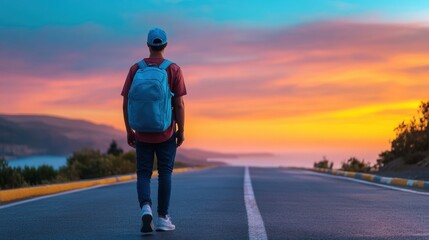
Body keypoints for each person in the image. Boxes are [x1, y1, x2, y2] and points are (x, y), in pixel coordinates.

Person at [121, 27, 186, 234]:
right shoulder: (173, 69)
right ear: (165, 45)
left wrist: (129, 130)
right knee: (165, 172)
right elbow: (180, 104)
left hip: (141, 132)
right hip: (166, 131)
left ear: (148, 45)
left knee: (143, 173)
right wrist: (181, 129)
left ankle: (145, 208)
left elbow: (126, 102)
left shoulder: (135, 69)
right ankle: (163, 218)